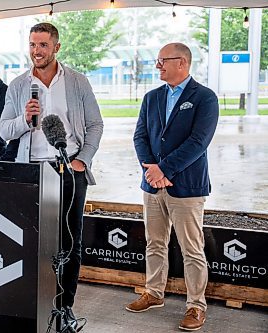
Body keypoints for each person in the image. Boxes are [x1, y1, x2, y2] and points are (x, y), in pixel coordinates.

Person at [0, 23, 103, 328]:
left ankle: (65, 304)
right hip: (32, 171)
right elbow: (4, 129)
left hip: (69, 169)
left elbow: (95, 124)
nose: (36, 51)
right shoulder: (19, 85)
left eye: (43, 45)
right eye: (32, 44)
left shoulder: (78, 82)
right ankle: (33, 299)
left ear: (57, 47)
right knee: (29, 239)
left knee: (70, 240)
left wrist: (83, 160)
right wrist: (24, 120)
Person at [128, 43, 219, 331]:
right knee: (155, 243)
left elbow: (198, 142)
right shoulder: (152, 97)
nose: (158, 66)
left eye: (162, 61)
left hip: (186, 186)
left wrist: (164, 169)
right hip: (153, 185)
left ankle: (196, 306)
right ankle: (154, 293)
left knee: (192, 248)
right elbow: (140, 136)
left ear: (182, 63)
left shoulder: (204, 98)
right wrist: (152, 170)